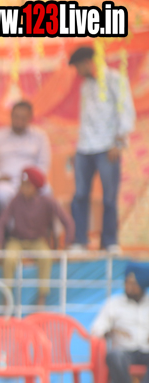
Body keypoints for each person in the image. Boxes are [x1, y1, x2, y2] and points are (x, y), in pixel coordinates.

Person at [69, 45, 136, 252]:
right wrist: (78, 150)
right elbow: (86, 120)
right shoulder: (85, 86)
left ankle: (109, 242)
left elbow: (126, 112)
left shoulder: (115, 79)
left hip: (108, 147)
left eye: (78, 67)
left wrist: (119, 143)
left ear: (87, 62)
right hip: (85, 148)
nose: (77, 72)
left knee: (109, 197)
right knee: (80, 195)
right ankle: (80, 241)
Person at [0, 167, 75, 306]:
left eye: (27, 185)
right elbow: (2, 222)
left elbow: (68, 222)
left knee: (45, 257)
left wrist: (67, 243)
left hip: (38, 241)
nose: (23, 188)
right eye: (22, 184)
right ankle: (6, 298)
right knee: (9, 258)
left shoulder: (48, 201)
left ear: (36, 187)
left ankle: (41, 298)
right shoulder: (16, 200)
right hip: (17, 240)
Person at [90, 263, 149, 383]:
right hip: (123, 351)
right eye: (126, 282)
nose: (128, 287)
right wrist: (112, 330)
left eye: (133, 283)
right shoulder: (114, 303)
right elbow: (96, 330)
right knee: (113, 356)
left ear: (143, 283)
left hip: (146, 350)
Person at [0, 101, 52, 208]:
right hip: (6, 182)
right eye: (16, 117)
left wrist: (32, 182)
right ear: (11, 116)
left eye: (23, 118)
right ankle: (9, 219)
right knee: (2, 194)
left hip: (31, 182)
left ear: (30, 118)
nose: (19, 121)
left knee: (47, 190)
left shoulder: (40, 136)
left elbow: (44, 164)